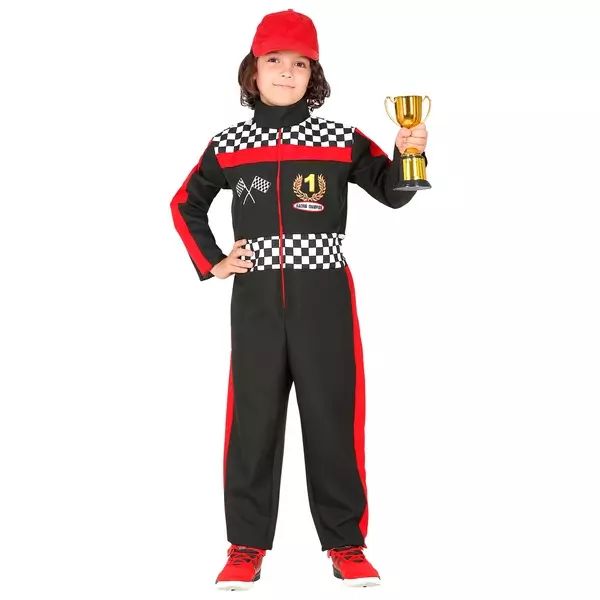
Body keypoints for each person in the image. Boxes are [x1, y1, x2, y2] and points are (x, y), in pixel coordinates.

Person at [170, 8, 428, 591]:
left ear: (314, 75)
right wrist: (213, 261)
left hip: (324, 297)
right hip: (257, 301)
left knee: (333, 417)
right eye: (274, 61)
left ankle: (346, 544)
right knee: (253, 422)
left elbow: (394, 193)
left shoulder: (340, 139)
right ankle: (245, 546)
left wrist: (409, 151)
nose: (287, 72)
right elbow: (185, 203)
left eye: (300, 63)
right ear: (252, 71)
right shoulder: (229, 144)